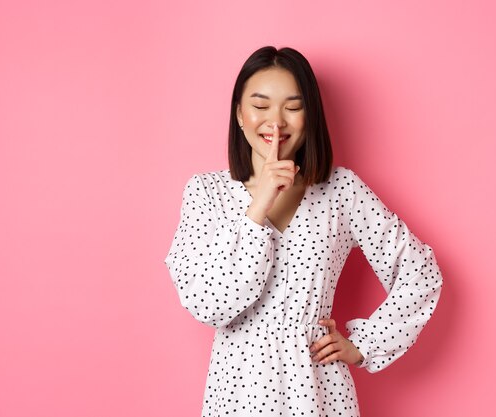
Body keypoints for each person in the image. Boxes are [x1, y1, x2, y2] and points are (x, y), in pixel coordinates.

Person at [165, 45, 443, 416]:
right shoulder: (206, 193)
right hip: (238, 391)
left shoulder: (341, 190)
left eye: (293, 107)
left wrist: (366, 343)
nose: (275, 122)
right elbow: (211, 304)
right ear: (239, 114)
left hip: (320, 391)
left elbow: (420, 272)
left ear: (310, 116)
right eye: (260, 106)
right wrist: (258, 205)